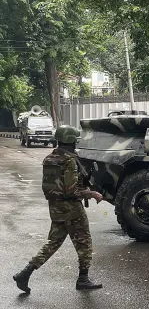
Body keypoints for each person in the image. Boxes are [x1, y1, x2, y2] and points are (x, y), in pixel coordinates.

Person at [13, 125, 103, 294]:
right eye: (75, 140)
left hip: (55, 208)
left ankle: (25, 273)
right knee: (84, 241)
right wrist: (91, 194)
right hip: (72, 210)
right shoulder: (69, 161)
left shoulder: (49, 158)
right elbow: (71, 191)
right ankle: (83, 279)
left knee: (53, 243)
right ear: (70, 141)